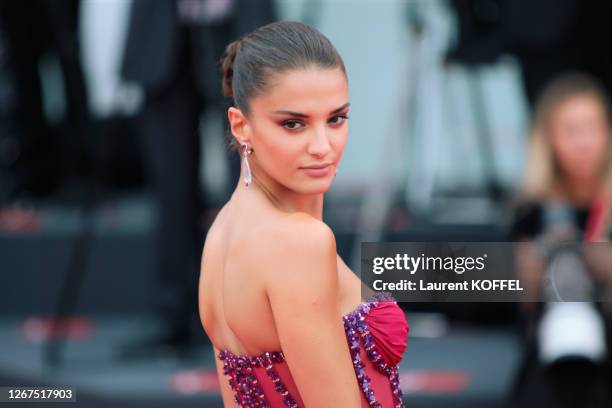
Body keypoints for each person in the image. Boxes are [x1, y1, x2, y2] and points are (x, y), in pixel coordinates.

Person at [198, 21, 409, 407]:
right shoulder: (299, 242)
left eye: (336, 119)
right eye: (293, 124)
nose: (322, 146)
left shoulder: (223, 231)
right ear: (240, 125)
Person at [511, 73, 612, 408]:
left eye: (591, 128)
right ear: (549, 139)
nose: (583, 143)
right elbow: (518, 300)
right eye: (571, 131)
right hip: (548, 364)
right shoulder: (531, 212)